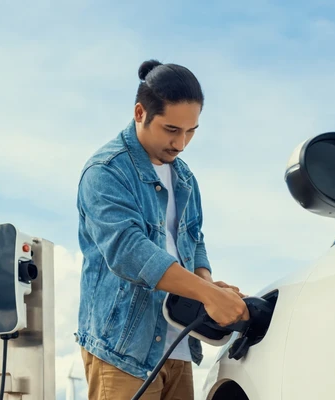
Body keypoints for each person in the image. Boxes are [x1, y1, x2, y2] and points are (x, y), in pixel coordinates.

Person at [74, 59, 248, 400]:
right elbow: (129, 252)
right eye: (171, 130)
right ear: (140, 113)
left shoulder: (184, 177)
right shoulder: (105, 172)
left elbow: (194, 238)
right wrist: (207, 294)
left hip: (178, 346)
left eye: (191, 131)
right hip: (123, 351)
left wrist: (206, 283)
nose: (181, 143)